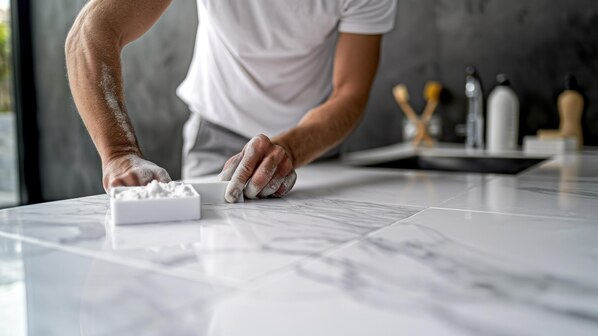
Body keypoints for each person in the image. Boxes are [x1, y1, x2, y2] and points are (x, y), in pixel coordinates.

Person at [65, 0, 397, 202]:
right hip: (216, 136)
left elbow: (350, 94)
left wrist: (291, 150)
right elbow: (91, 33)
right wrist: (120, 154)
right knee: (217, 278)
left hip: (308, 145)